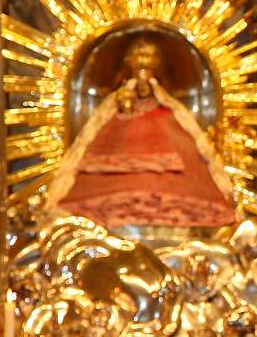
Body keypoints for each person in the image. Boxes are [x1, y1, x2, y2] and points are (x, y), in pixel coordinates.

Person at [46, 37, 238, 229]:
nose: (142, 77)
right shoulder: (115, 106)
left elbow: (176, 115)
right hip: (121, 137)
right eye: (138, 61)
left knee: (180, 146)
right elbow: (102, 120)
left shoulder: (168, 109)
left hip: (162, 128)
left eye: (147, 59)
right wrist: (124, 100)